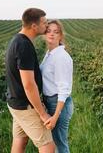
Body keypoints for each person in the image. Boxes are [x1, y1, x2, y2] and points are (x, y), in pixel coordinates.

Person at [5, 8, 55, 153]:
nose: (47, 26)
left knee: (21, 140)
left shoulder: (16, 40)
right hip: (26, 107)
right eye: (44, 23)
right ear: (34, 26)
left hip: (15, 103)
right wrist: (42, 113)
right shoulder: (24, 46)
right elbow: (29, 84)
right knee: (47, 146)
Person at [40, 20, 74, 153]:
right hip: (50, 101)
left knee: (60, 144)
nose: (52, 34)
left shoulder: (61, 57)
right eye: (48, 31)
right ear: (44, 34)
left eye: (56, 32)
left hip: (58, 104)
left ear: (61, 36)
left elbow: (63, 89)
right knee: (53, 143)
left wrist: (55, 116)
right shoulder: (49, 54)